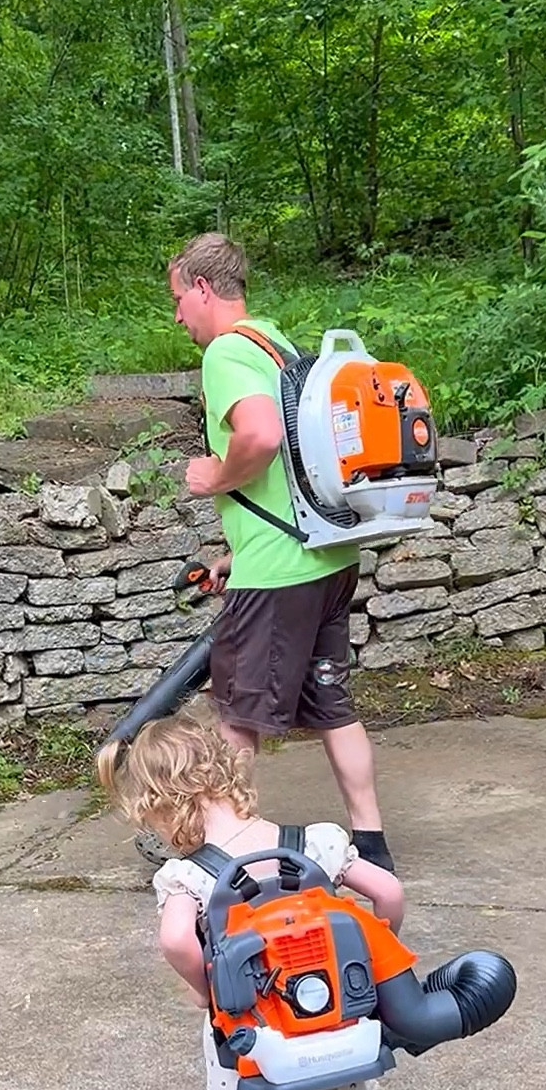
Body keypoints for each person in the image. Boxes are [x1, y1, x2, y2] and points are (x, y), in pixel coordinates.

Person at [98, 712, 408, 1090]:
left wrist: (208, 991)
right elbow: (389, 894)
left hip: (248, 1047)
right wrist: (373, 972)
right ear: (225, 767)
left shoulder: (186, 875)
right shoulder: (315, 839)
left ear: (159, 804)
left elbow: (177, 943)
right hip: (324, 1038)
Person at [169, 231, 396, 874]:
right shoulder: (280, 344)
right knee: (331, 705)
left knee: (237, 712)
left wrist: (216, 476)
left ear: (204, 289)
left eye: (178, 298)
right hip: (327, 555)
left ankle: (220, 850)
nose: (177, 315)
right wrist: (235, 555)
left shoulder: (226, 353)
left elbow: (263, 437)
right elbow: (297, 467)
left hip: (280, 572)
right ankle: (371, 843)